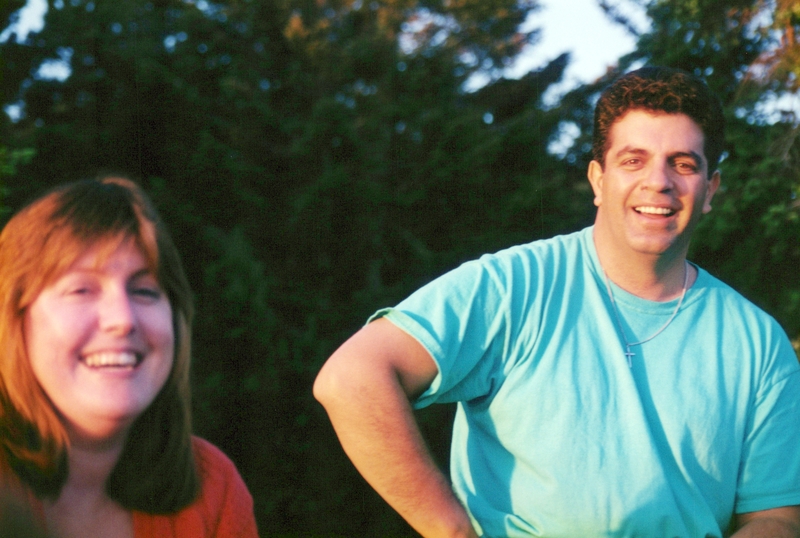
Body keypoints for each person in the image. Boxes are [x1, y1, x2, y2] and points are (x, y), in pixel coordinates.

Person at [313, 67, 800, 537]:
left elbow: (777, 517)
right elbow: (351, 378)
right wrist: (452, 530)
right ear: (598, 180)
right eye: (633, 160)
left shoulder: (757, 341)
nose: (659, 181)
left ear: (710, 189)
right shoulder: (514, 286)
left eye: (683, 164)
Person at [0, 177, 259, 538]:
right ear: (15, 320)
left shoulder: (213, 487)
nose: (122, 319)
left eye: (144, 291)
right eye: (81, 289)